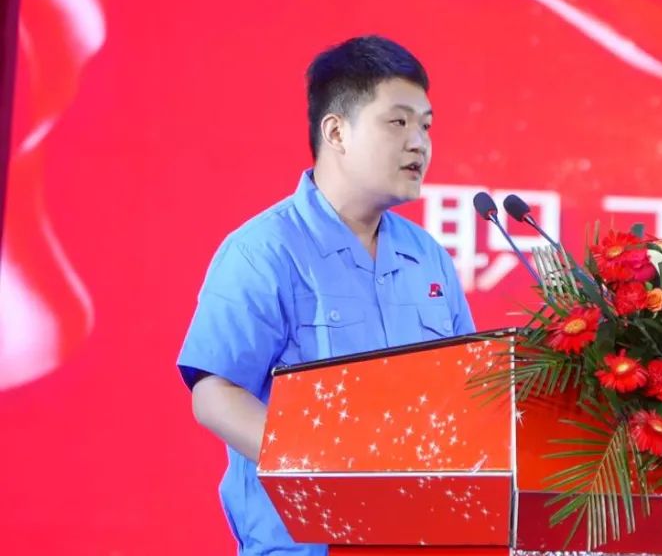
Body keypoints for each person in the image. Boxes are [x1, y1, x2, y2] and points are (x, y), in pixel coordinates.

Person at [176, 35, 475, 555]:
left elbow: (468, 394)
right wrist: (329, 471)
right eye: (398, 122)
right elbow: (214, 393)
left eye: (426, 126)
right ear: (336, 131)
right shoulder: (264, 250)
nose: (419, 143)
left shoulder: (429, 258)